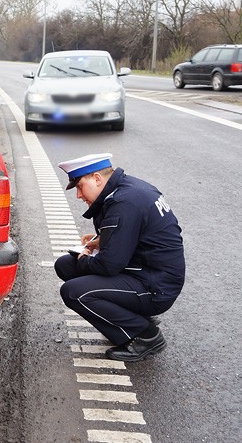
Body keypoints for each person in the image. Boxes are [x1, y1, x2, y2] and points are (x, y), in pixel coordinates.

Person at [54, 153, 185, 362]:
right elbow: (138, 233)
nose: (79, 195)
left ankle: (145, 336)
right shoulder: (128, 189)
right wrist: (101, 239)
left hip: (156, 287)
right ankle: (135, 317)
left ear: (97, 179)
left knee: (74, 292)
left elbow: (108, 265)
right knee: (65, 265)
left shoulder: (124, 203)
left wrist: (83, 258)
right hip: (147, 271)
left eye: (80, 186)